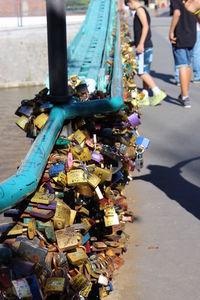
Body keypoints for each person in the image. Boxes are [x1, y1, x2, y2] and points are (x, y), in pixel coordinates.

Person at [124, 0, 166, 106]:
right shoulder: (142, 10)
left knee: (140, 71)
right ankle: (145, 95)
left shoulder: (139, 10)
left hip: (144, 46)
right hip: (145, 45)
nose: (129, 7)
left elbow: (145, 26)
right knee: (145, 71)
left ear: (131, 1)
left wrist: (140, 44)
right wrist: (135, 42)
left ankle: (157, 92)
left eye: (128, 5)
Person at [169, 0, 196, 108]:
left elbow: (177, 13)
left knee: (182, 65)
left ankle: (185, 97)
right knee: (188, 65)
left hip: (180, 34)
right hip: (192, 34)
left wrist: (171, 31)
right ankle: (185, 94)